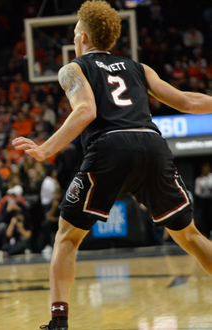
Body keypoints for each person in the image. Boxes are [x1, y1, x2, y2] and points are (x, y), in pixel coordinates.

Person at [12, 1, 212, 329]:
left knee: (66, 238)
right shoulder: (138, 67)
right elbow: (187, 101)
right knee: (189, 235)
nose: (74, 36)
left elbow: (86, 111)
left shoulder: (73, 68)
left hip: (111, 146)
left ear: (85, 37)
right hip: (151, 143)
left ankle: (58, 322)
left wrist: (46, 148)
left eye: (76, 31)